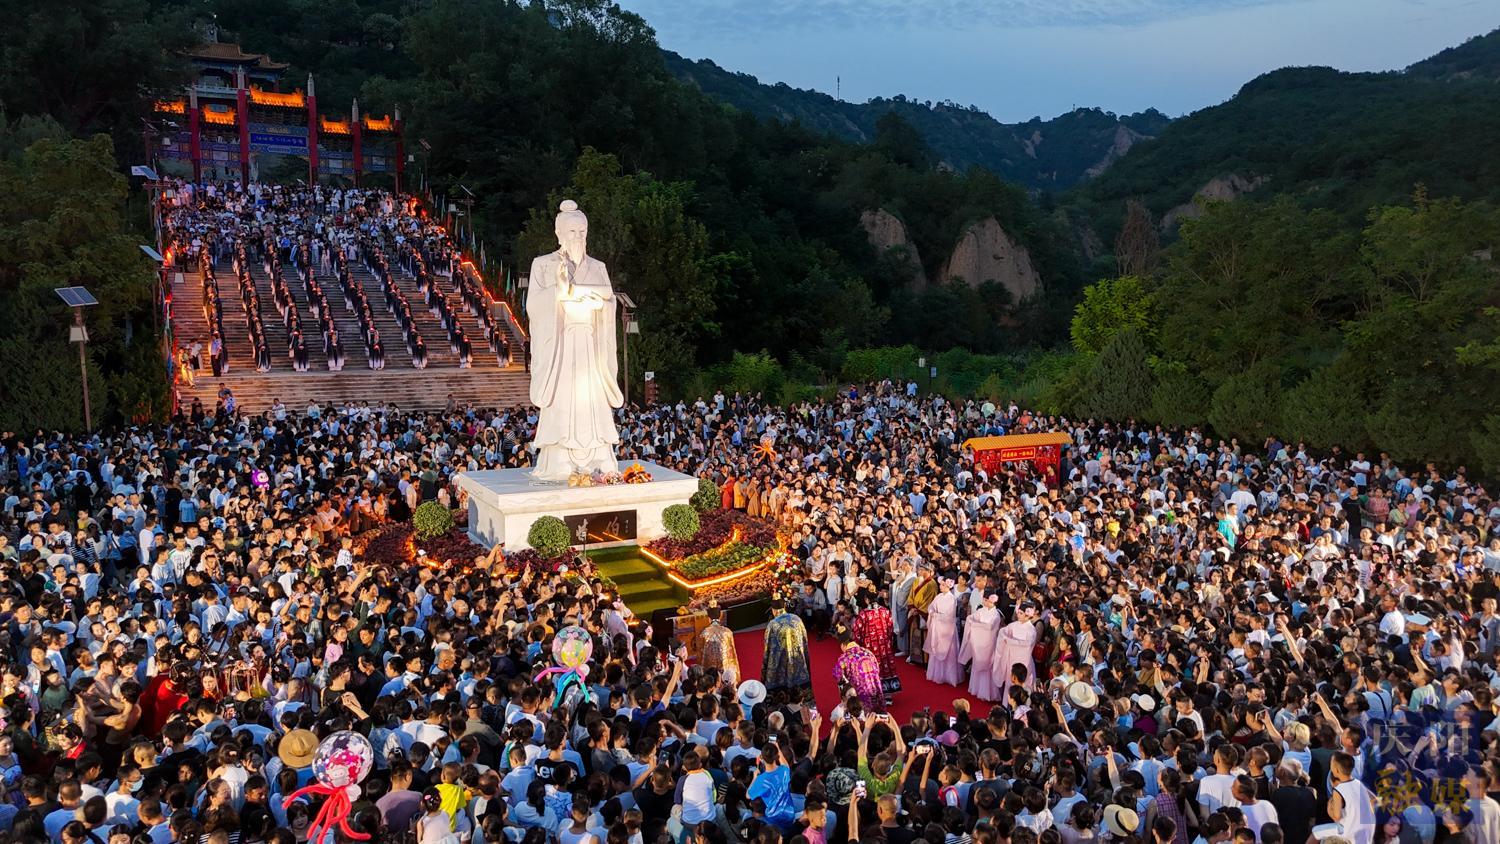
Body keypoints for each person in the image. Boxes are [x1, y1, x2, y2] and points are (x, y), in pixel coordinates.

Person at [762, 599, 811, 692]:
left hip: (780, 661)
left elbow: (767, 646)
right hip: (797, 658)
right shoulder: (797, 619)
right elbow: (804, 639)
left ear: (774, 610)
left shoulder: (772, 624)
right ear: (784, 607)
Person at [924, 578, 963, 686]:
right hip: (937, 626)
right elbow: (931, 606)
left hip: (947, 628)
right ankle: (937, 674)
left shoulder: (952, 599)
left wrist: (936, 615)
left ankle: (949, 676)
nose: (940, 587)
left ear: (948, 586)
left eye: (943, 585)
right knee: (936, 647)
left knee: (949, 652)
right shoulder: (938, 596)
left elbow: (949, 615)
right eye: (940, 585)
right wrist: (932, 612)